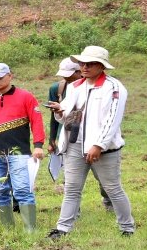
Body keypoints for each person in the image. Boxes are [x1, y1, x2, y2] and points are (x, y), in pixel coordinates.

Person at [47, 46, 136, 238]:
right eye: (82, 63)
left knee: (112, 188)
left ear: (101, 66)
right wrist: (59, 112)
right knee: (71, 188)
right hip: (74, 143)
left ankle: (127, 227)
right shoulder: (74, 86)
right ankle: (63, 228)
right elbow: (69, 118)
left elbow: (112, 119)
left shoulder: (114, 87)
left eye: (90, 63)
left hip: (104, 149)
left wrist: (98, 145)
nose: (85, 67)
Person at [0, 63, 45, 232]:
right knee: (0, 191)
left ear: (10, 76)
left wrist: (38, 145)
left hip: (19, 153)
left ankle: (30, 230)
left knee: (22, 189)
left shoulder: (26, 97)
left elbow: (36, 121)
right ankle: (8, 230)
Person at [48, 57, 113, 211]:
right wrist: (52, 139)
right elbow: (54, 116)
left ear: (80, 71)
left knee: (102, 177)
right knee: (70, 181)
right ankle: (72, 213)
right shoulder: (57, 89)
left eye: (71, 75)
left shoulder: (103, 87)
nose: (67, 78)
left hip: (94, 140)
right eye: (64, 75)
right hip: (70, 139)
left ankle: (109, 200)